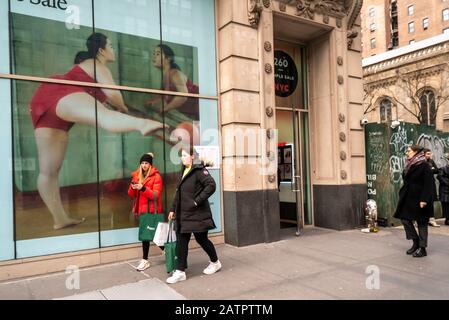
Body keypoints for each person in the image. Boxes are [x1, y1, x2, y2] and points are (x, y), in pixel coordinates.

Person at [30, 33, 165, 230]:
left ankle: (60, 219)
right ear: (101, 50)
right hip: (59, 93)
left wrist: (118, 109)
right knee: (104, 117)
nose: (113, 49)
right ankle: (142, 124)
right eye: (111, 45)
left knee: (49, 171)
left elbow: (108, 104)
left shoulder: (84, 75)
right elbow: (114, 95)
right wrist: (126, 110)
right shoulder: (96, 64)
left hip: (43, 103)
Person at [166, 146, 221, 284]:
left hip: (196, 214)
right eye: (181, 156)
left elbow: (211, 185)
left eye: (184, 155)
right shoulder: (184, 171)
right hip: (183, 214)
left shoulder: (199, 170)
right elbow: (178, 193)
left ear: (192, 156)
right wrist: (173, 209)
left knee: (202, 240)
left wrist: (197, 201)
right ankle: (180, 272)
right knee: (181, 241)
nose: (182, 158)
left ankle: (215, 262)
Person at [145, 44, 200, 146]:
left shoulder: (175, 74)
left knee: (197, 148)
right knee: (194, 149)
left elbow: (183, 96)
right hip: (194, 116)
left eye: (157, 54)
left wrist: (166, 109)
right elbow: (163, 96)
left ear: (168, 58)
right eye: (154, 54)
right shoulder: (165, 77)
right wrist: (151, 102)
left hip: (201, 112)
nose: (154, 57)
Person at [394, 145, 434, 258]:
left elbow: (428, 184)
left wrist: (424, 200)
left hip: (420, 198)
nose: (407, 153)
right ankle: (415, 241)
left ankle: (422, 248)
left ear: (416, 152)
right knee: (405, 219)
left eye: (409, 151)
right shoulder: (410, 164)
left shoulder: (425, 165)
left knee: (421, 222)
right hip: (408, 197)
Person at [128, 152, 164, 271]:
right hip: (143, 211)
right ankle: (146, 259)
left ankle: (167, 251)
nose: (144, 165)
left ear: (150, 164)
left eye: (146, 163)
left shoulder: (156, 177)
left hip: (152, 210)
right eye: (142, 163)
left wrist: (142, 188)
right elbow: (131, 194)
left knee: (154, 236)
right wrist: (133, 187)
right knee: (147, 236)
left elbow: (155, 195)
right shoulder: (137, 176)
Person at [423, 148, 440, 227]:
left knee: (431, 201)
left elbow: (436, 170)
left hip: (431, 183)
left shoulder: (431, 161)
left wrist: (430, 170)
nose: (429, 155)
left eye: (430, 154)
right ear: (424, 154)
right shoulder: (421, 162)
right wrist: (430, 169)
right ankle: (421, 220)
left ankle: (431, 219)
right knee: (423, 201)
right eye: (428, 154)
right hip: (423, 185)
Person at [437, 153, 449, 226]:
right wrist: (447, 183)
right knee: (446, 205)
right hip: (445, 190)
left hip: (445, 189)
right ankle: (447, 219)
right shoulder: (443, 169)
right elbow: (439, 177)